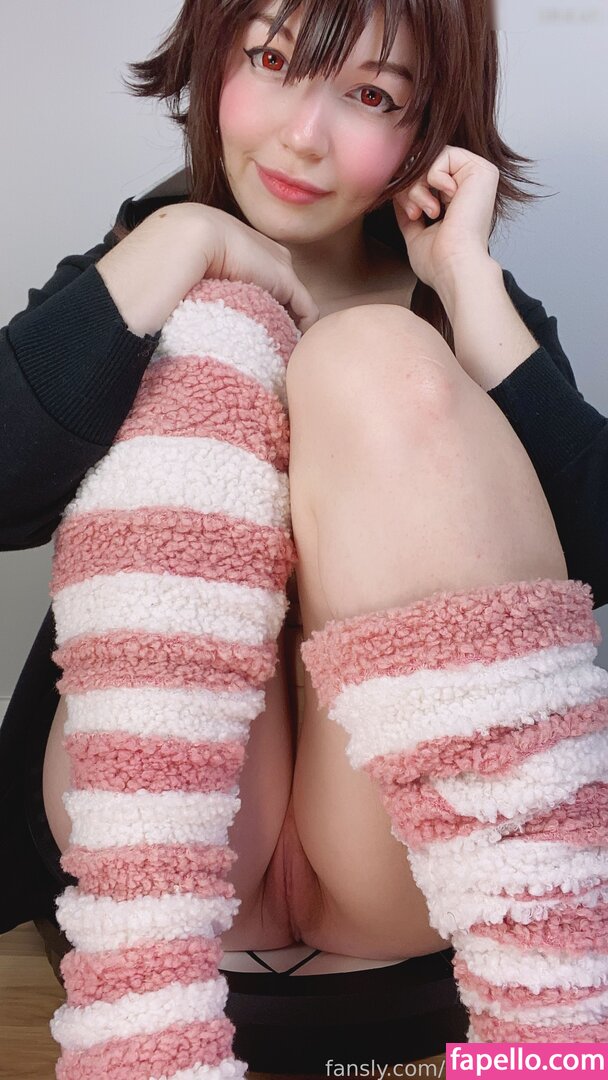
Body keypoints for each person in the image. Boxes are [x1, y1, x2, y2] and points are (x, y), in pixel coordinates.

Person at [1, 0, 607, 1066]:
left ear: (425, 131)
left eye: (371, 95)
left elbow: (589, 563)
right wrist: (181, 238)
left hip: (403, 880)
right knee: (213, 325)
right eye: (274, 60)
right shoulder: (132, 270)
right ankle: (147, 1030)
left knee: (371, 354)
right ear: (214, 57)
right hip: (162, 874)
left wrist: (465, 283)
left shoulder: (457, 304)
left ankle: (551, 1028)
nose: (302, 136)